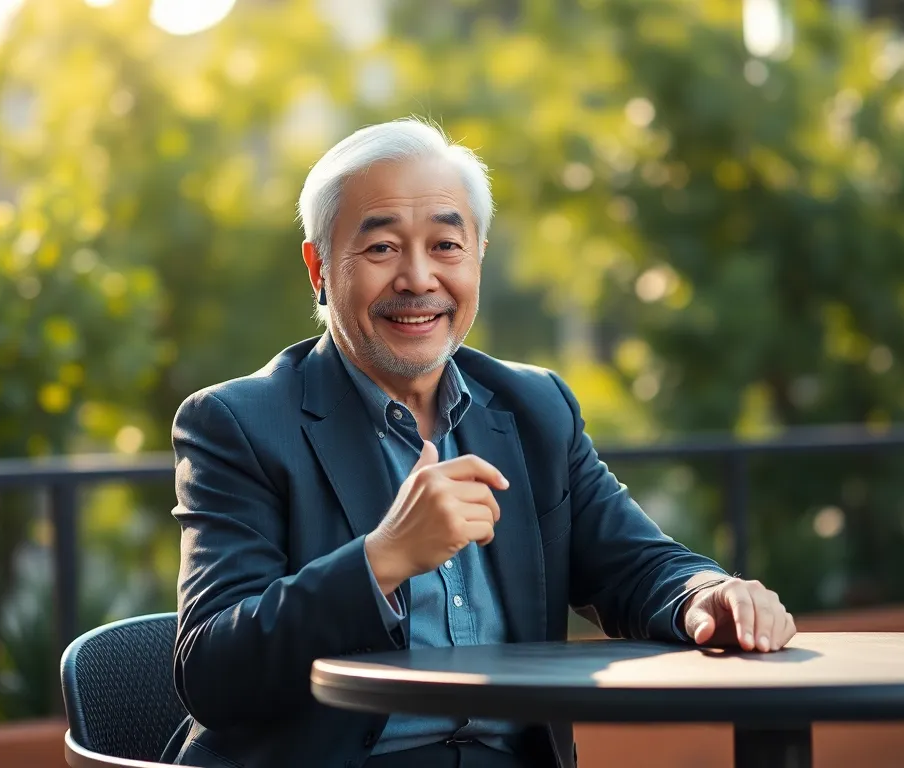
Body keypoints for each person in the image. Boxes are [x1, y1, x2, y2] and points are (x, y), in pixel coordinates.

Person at [162, 118, 796, 768]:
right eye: (381, 249)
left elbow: (635, 565)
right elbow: (212, 669)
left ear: (479, 256)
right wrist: (382, 560)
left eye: (445, 245)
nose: (417, 278)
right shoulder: (239, 424)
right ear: (319, 266)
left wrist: (705, 595)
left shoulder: (535, 409)